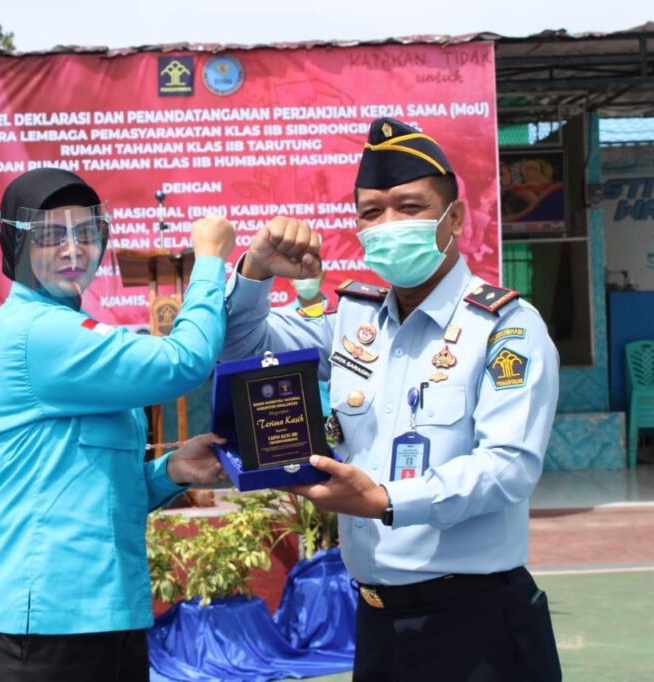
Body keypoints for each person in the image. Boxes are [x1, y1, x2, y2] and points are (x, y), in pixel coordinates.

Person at [221, 118, 562, 681]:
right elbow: (241, 351)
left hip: (477, 625)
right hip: (378, 623)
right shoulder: (353, 322)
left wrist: (383, 499)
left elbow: (508, 467)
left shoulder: (506, 328)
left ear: (455, 218)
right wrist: (255, 273)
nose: (388, 225)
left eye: (409, 207)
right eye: (372, 212)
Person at [0, 168, 235, 681]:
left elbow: (92, 489)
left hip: (99, 614)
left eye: (86, 232)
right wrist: (209, 260)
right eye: (50, 235)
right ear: (16, 245)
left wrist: (171, 471)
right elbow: (183, 362)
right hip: (44, 622)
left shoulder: (65, 330)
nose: (73, 249)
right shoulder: (40, 332)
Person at [279, 274, 331, 418]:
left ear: (322, 276)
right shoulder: (282, 318)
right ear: (291, 280)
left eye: (310, 275)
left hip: (344, 406)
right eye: (300, 276)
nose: (306, 281)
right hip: (301, 411)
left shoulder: (339, 310)